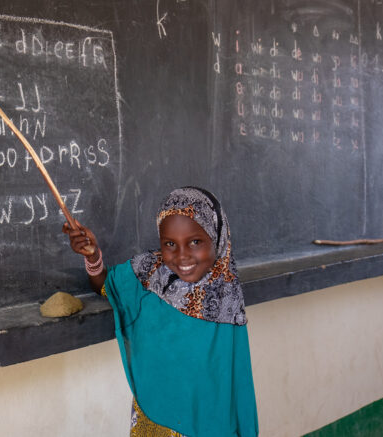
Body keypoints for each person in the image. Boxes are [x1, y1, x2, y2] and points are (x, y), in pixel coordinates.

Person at [63, 186, 258, 437]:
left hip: (207, 426)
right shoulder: (149, 273)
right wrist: (93, 257)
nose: (182, 256)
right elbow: (106, 285)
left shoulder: (225, 293)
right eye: (170, 244)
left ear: (217, 238)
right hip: (153, 420)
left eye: (195, 242)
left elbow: (238, 379)